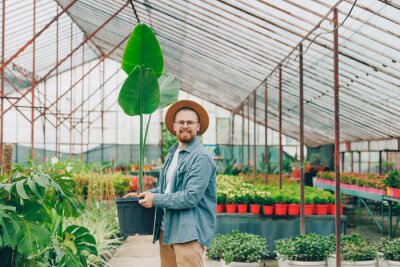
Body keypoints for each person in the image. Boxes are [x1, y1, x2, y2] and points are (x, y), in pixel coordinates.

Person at [125, 100, 217, 267]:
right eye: (181, 122)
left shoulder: (200, 157)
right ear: (174, 127)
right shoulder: (173, 153)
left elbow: (190, 197)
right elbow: (167, 188)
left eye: (190, 122)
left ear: (198, 127)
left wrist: (156, 199)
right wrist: (145, 194)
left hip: (188, 233)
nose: (185, 126)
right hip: (166, 230)